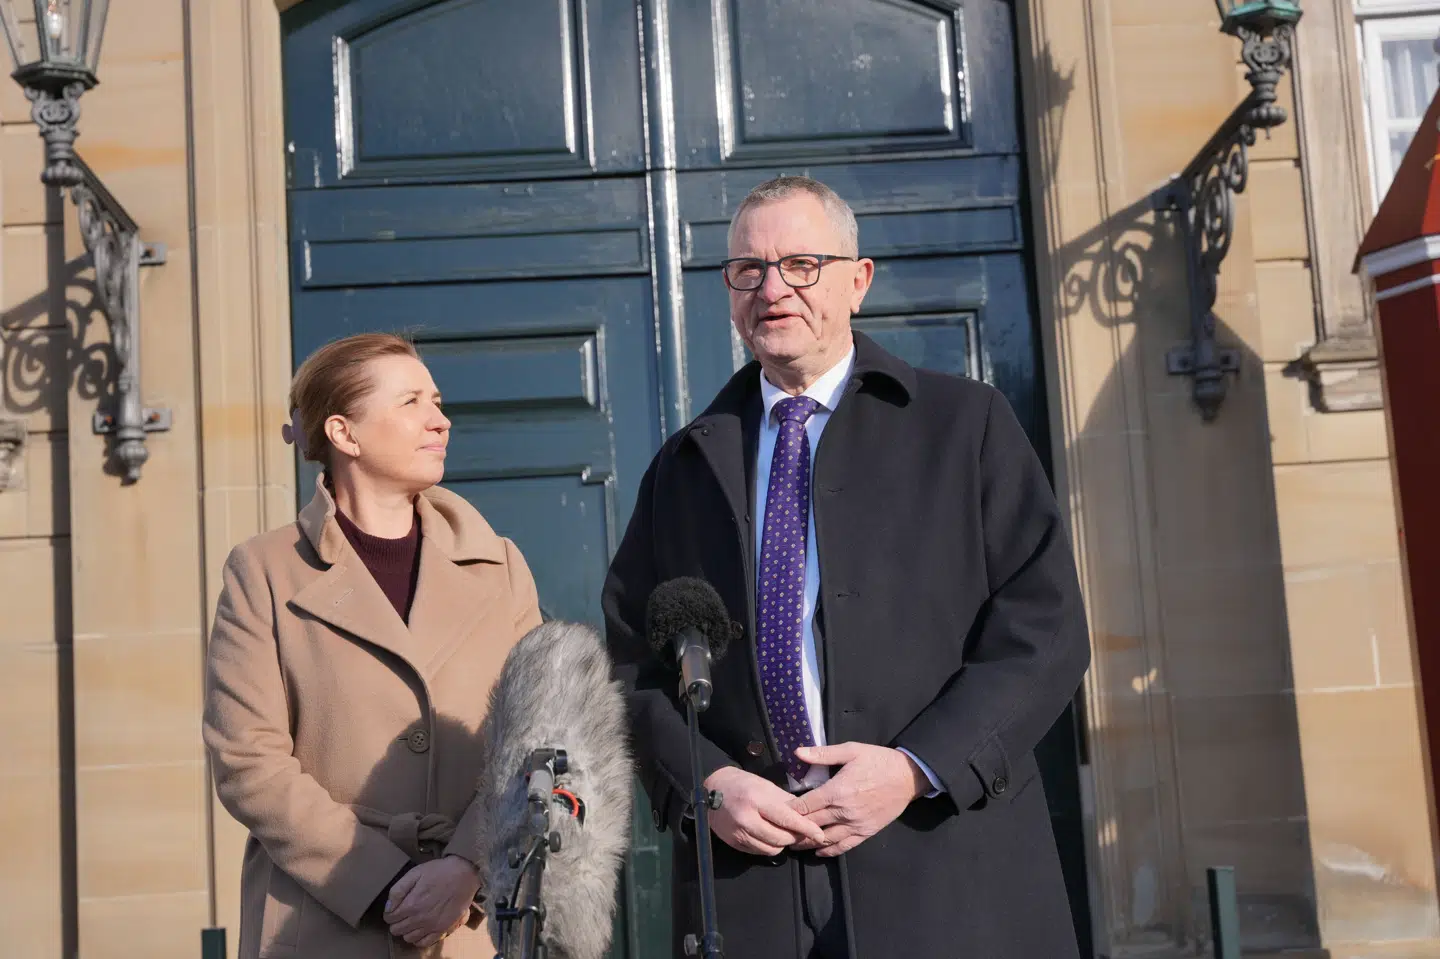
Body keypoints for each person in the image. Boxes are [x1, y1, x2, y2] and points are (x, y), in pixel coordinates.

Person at [603, 176, 1091, 959]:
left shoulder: (966, 427)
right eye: (748, 270)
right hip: (750, 885)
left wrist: (913, 767)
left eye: (801, 264)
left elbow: (1046, 631)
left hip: (944, 864)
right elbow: (633, 667)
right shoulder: (684, 466)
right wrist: (705, 785)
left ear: (857, 281)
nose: (772, 289)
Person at [203, 333, 543, 959]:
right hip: (324, 920)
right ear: (345, 434)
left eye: (436, 401)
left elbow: (536, 739)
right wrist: (384, 880)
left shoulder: (499, 567)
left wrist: (465, 865)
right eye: (411, 401)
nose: (440, 420)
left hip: (469, 926)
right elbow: (248, 760)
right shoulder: (264, 572)